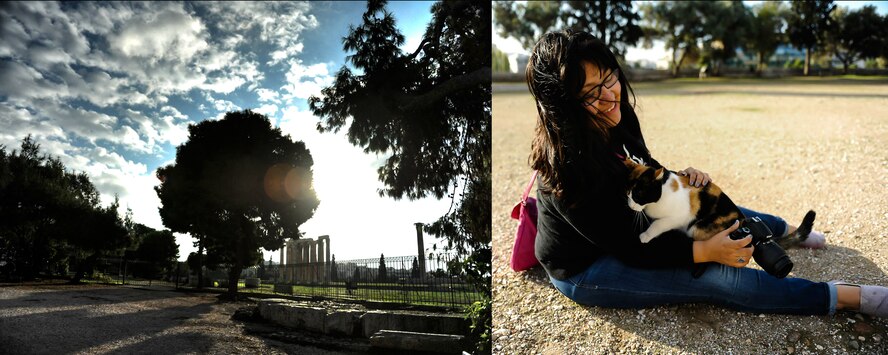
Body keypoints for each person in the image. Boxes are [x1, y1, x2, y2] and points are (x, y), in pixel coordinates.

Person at [526, 30, 887, 318]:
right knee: (721, 279)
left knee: (718, 206)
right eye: (591, 93)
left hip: (633, 222)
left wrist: (678, 178)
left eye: (609, 78)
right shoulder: (566, 171)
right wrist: (703, 250)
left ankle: (787, 230)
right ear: (563, 108)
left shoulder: (616, 112)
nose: (610, 96)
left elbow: (644, 165)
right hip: (590, 265)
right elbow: (632, 245)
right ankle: (840, 296)